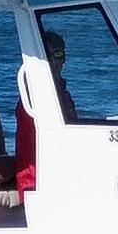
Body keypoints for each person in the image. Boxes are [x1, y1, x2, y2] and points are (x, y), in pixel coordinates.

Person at [14, 28, 69, 193]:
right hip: (35, 180)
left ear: (64, 58)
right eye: (48, 55)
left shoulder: (62, 93)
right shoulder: (34, 96)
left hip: (56, 174)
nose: (54, 61)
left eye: (58, 54)